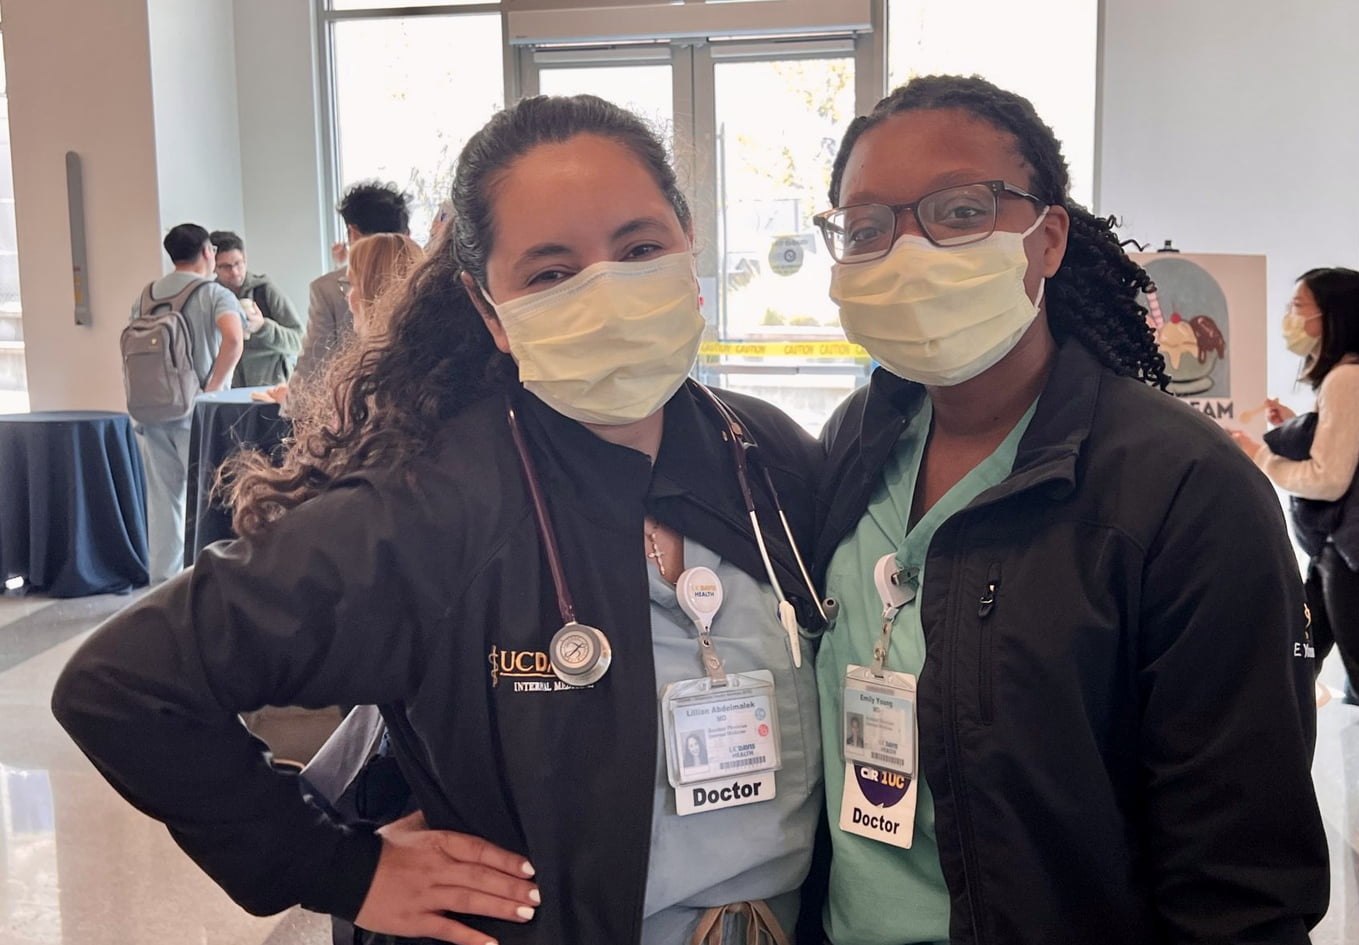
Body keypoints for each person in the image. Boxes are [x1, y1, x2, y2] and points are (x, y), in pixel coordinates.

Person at [54, 95, 827, 945]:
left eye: (641, 249)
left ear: (689, 244)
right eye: (551, 274)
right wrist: (336, 865)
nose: (607, 290)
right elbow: (124, 685)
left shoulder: (765, 455)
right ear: (489, 310)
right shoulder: (433, 507)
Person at [809, 75, 1329, 944]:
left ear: (1047, 239)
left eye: (961, 211)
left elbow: (1241, 873)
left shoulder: (1183, 490)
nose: (906, 254)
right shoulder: (852, 448)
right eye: (867, 228)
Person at [1235, 267, 1359, 840]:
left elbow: (1328, 479)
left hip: (1358, 558)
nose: (1290, 318)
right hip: (1339, 555)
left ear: (1333, 316)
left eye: (1299, 307)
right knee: (1297, 655)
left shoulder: (1349, 379)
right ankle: (1267, 770)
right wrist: (1289, 426)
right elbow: (1342, 447)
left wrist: (1259, 456)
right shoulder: (1347, 379)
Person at [128, 223, 244, 583]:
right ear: (208, 252)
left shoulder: (145, 296)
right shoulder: (214, 294)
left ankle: (162, 587)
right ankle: (209, 584)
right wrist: (213, 388)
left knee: (163, 503)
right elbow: (234, 339)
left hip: (151, 410)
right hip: (196, 413)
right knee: (209, 502)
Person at [266, 233, 424, 407]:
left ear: (374, 292)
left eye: (353, 284)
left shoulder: (365, 382)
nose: (348, 296)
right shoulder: (426, 365)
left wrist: (291, 402)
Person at [291, 181, 411, 395]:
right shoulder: (432, 281)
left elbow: (312, 368)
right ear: (407, 232)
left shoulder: (328, 290)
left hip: (354, 405)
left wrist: (291, 406)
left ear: (352, 233)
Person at [210, 230, 305, 387]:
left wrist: (263, 327)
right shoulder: (211, 296)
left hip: (270, 386)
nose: (234, 272)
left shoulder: (264, 290)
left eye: (238, 263)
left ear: (245, 259)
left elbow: (299, 341)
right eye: (225, 267)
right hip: (227, 387)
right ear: (213, 266)